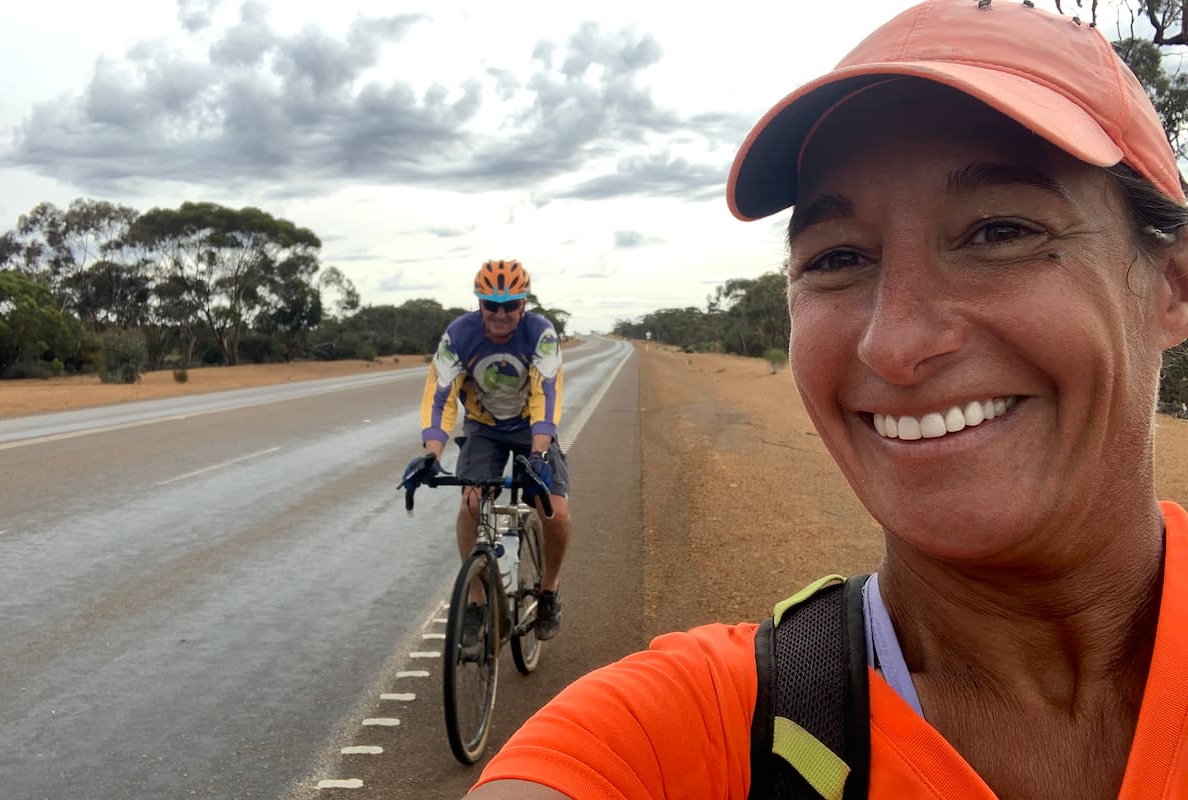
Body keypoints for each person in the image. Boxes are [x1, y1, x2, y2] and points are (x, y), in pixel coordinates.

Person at [465, 1, 1188, 797]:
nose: (894, 345)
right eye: (838, 257)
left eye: (1000, 231)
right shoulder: (695, 727)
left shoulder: (538, 339)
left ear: (1175, 285)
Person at [403, 259, 570, 643]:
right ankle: (476, 602)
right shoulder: (459, 335)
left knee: (556, 511)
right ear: (479, 303)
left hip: (531, 427)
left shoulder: (541, 334)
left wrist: (539, 454)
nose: (500, 314)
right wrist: (431, 454)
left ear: (524, 304)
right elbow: (440, 397)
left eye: (510, 305)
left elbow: (546, 394)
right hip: (484, 428)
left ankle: (548, 591)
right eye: (491, 305)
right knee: (471, 504)